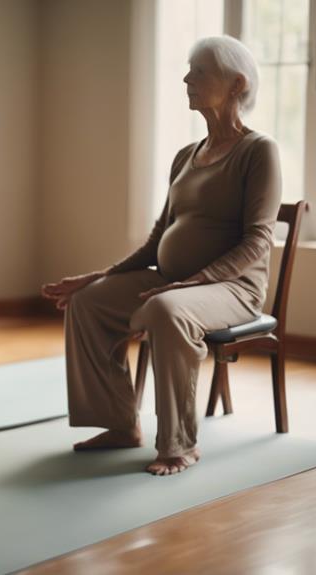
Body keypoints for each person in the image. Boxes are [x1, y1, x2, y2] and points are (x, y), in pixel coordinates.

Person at [42, 36, 281, 476]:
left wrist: (194, 282)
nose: (187, 78)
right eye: (189, 70)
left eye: (199, 71)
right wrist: (99, 275)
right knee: (88, 302)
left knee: (169, 309)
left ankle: (178, 444)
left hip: (232, 288)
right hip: (170, 280)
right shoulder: (185, 156)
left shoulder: (258, 151)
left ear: (235, 84)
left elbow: (258, 241)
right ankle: (119, 425)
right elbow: (158, 240)